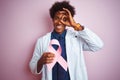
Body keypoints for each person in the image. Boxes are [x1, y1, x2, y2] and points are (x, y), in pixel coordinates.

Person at [29, 1, 103, 80]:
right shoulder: (42, 41)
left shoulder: (76, 37)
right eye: (57, 18)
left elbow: (98, 45)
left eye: (64, 19)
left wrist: (76, 25)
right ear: (52, 19)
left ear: (69, 20)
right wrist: (40, 61)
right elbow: (32, 67)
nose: (60, 21)